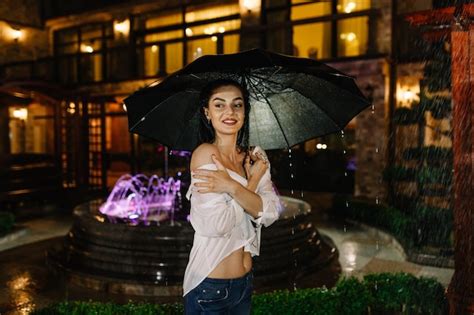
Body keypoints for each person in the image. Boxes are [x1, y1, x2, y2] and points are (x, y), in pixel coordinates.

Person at [183, 79, 281, 314]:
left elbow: (271, 212)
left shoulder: (255, 156)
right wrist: (253, 183)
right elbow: (218, 224)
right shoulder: (205, 155)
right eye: (219, 105)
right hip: (209, 287)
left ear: (245, 112)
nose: (230, 112)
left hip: (244, 284)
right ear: (207, 112)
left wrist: (232, 187)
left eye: (237, 105)